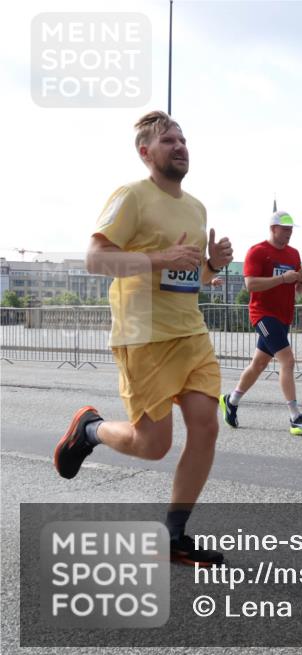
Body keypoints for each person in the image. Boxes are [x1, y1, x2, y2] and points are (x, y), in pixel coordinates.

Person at [53, 111, 233, 566]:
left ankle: (174, 535)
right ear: (145, 152)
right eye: (169, 140)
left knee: (206, 425)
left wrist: (212, 265)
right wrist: (159, 257)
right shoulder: (131, 196)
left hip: (190, 332)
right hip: (143, 334)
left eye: (184, 139)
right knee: (153, 446)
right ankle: (89, 430)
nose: (180, 146)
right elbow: (95, 259)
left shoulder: (195, 207)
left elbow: (189, 276)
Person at [219, 211, 302, 435]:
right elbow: (251, 285)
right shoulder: (258, 252)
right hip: (263, 314)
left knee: (259, 364)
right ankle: (295, 417)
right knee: (288, 361)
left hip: (284, 316)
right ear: (273, 229)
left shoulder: (294, 254)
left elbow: (299, 291)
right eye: (285, 229)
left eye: (292, 230)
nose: (289, 233)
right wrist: (283, 278)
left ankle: (231, 400)